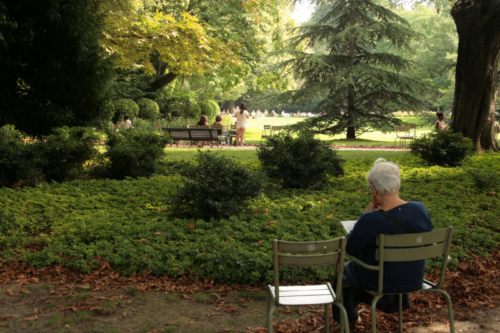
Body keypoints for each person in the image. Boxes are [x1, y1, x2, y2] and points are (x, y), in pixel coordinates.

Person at [332, 158, 433, 326]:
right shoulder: (419, 209)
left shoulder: (371, 220)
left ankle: (349, 317)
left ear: (373, 189)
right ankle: (384, 306)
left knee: (345, 271)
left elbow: (350, 250)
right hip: (413, 277)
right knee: (383, 267)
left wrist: (365, 215)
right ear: (398, 185)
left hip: (380, 281)